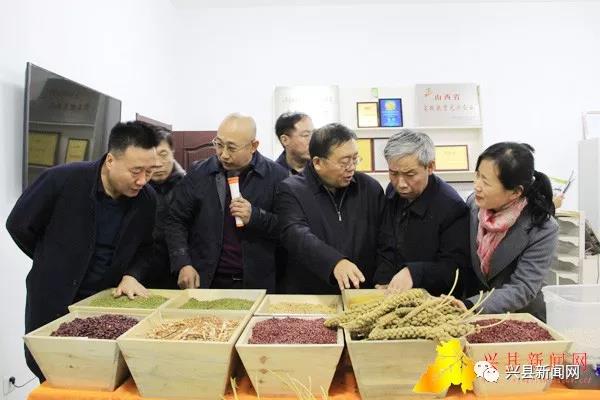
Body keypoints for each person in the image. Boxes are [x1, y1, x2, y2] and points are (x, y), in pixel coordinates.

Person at [6, 121, 160, 380]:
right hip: (54, 300)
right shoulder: (61, 180)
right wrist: (52, 261)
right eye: (136, 171)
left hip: (105, 306)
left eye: (149, 172)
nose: (142, 180)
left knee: (102, 376)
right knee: (52, 373)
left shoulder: (147, 200)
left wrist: (132, 274)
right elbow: (19, 225)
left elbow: (147, 247)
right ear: (110, 160)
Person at [164, 113, 288, 292]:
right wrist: (183, 263)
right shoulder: (199, 173)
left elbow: (288, 229)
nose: (223, 154)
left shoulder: (276, 176)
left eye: (231, 147)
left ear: (253, 146)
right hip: (206, 280)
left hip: (256, 283)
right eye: (219, 144)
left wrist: (255, 216)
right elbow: (175, 220)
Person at [275, 123, 391, 294]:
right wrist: (334, 262)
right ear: (317, 162)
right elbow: (296, 234)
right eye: (344, 162)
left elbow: (386, 238)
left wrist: (384, 277)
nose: (351, 167)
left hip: (362, 292)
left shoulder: (369, 188)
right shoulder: (292, 190)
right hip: (313, 294)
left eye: (355, 159)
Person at [462, 142, 558, 321]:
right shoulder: (473, 206)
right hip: (473, 316)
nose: (477, 186)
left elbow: (523, 287)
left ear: (515, 192)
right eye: (478, 176)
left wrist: (472, 305)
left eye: (486, 182)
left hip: (520, 318)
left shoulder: (542, 227)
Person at [373, 130, 470, 296]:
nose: (401, 184)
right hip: (393, 294)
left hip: (434, 299)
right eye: (393, 173)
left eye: (410, 174)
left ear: (430, 167)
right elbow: (387, 244)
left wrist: (414, 273)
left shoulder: (451, 207)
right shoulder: (393, 191)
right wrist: (383, 280)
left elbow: (455, 269)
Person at [146, 128, 185, 289]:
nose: (158, 164)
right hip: (143, 270)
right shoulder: (135, 188)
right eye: (151, 157)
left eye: (163, 154)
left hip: (180, 268)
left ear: (172, 152)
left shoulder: (188, 186)